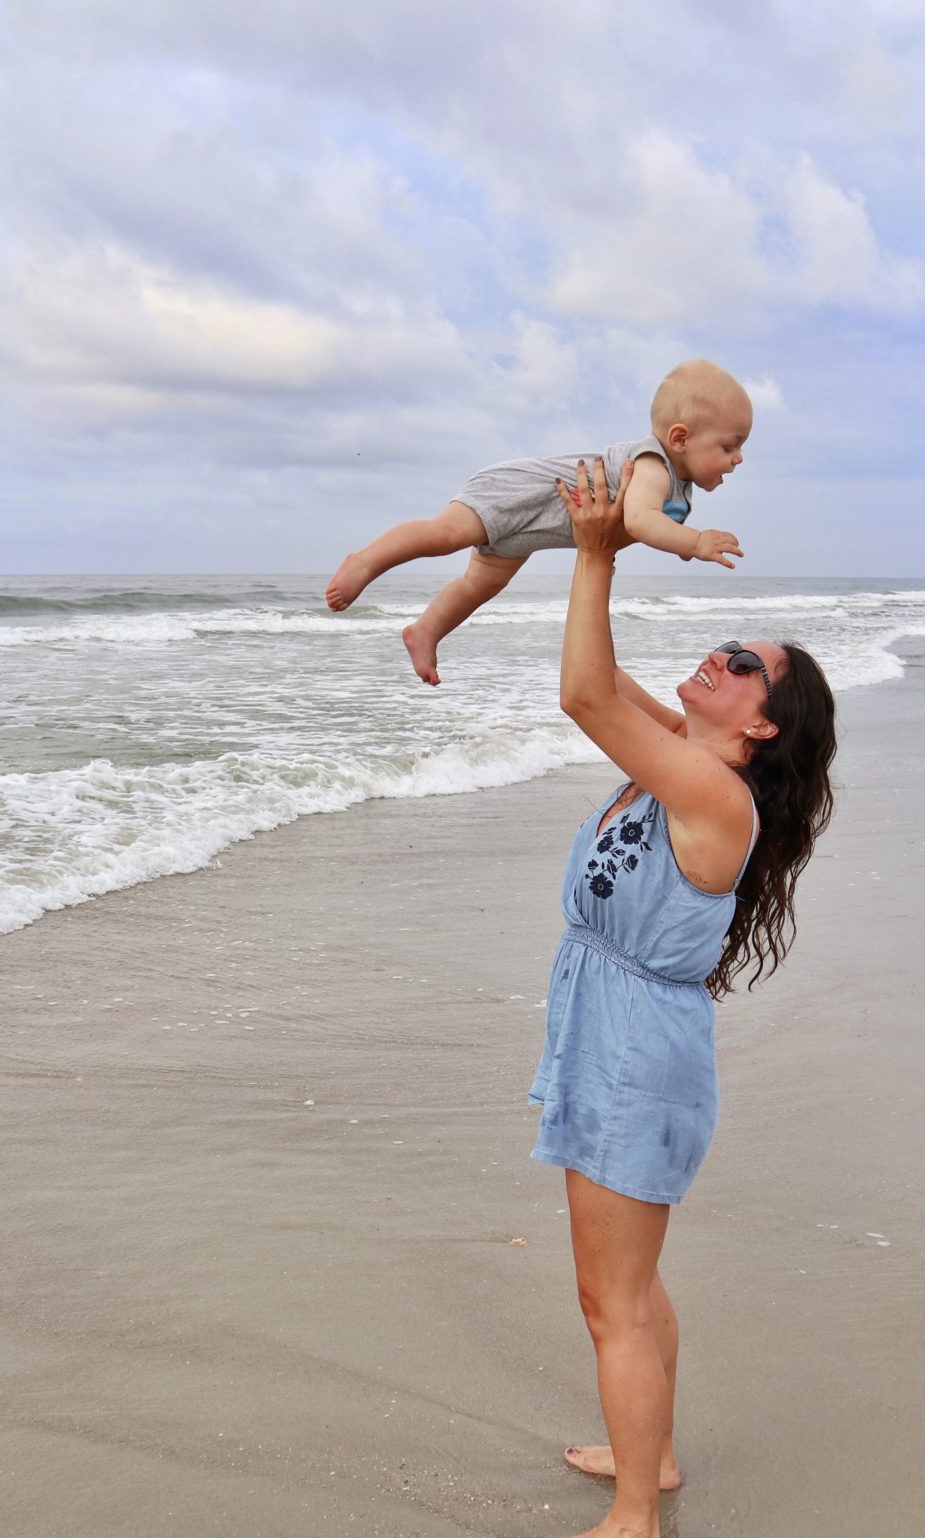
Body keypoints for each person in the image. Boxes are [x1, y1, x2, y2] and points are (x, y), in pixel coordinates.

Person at [531, 456, 837, 1537]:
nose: (719, 653)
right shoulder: (676, 750)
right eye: (726, 642)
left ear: (763, 723)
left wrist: (594, 554)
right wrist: (595, 548)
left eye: (743, 661)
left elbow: (576, 693)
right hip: (611, 1032)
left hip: (632, 1054)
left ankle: (633, 1514)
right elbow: (599, 683)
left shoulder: (712, 790)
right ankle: (644, 1458)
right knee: (630, 1285)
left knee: (610, 1297)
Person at [324, 360, 752, 684]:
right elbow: (640, 521)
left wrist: (678, 542)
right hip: (521, 493)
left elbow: (648, 526)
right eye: (729, 446)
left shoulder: (679, 483)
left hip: (537, 529)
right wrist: (692, 542)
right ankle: (366, 561)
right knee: (447, 534)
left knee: (481, 584)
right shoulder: (654, 465)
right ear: (680, 438)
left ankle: (426, 631)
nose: (738, 458)